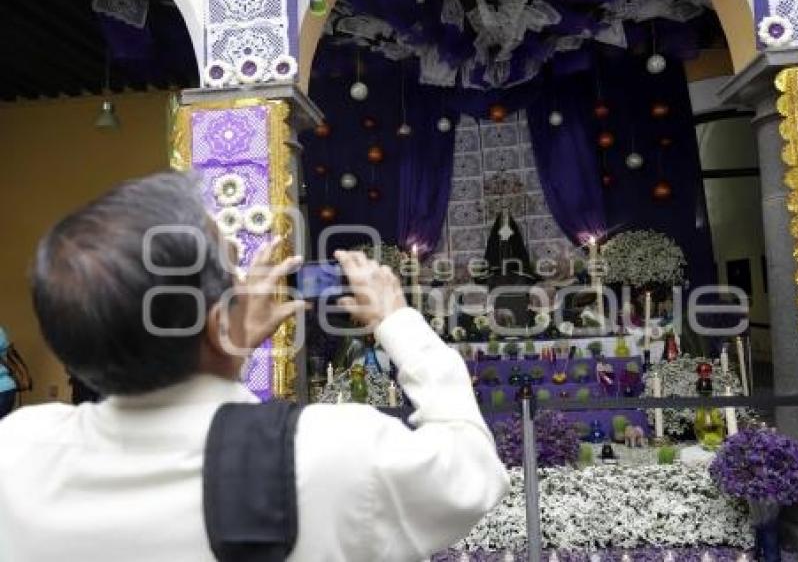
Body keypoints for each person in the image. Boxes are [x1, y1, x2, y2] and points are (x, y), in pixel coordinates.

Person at [0, 172, 509, 562]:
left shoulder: (19, 450)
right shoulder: (328, 452)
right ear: (219, 316)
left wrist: (222, 347)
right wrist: (398, 321)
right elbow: (471, 471)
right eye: (234, 270)